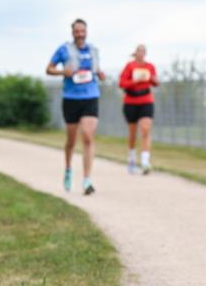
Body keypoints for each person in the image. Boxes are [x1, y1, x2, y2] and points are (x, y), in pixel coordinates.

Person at [46, 18, 105, 195]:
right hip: (71, 98)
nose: (80, 34)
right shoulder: (64, 50)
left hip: (91, 96)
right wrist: (63, 72)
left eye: (83, 31)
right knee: (71, 141)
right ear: (72, 33)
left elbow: (96, 71)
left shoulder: (93, 50)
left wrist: (101, 74)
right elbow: (48, 69)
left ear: (86, 32)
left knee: (87, 136)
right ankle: (68, 169)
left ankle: (87, 180)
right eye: (77, 31)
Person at [118, 44, 158, 174]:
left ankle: (145, 161)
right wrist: (136, 80)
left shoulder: (150, 67)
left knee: (146, 129)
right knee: (133, 133)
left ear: (145, 53)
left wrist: (151, 79)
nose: (141, 53)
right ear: (135, 53)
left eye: (143, 51)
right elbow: (122, 83)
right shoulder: (130, 66)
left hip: (146, 100)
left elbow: (156, 82)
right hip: (131, 101)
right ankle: (131, 159)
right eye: (138, 51)